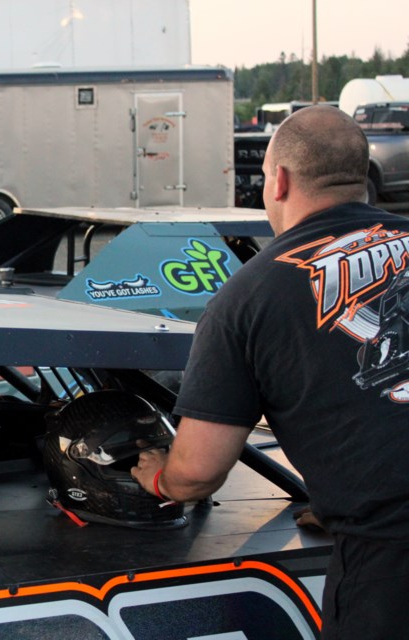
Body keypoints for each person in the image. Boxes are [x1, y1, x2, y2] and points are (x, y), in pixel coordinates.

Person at [130, 105, 409, 638]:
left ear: (278, 180)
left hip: (390, 566)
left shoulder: (249, 295)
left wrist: (159, 478)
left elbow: (199, 472)